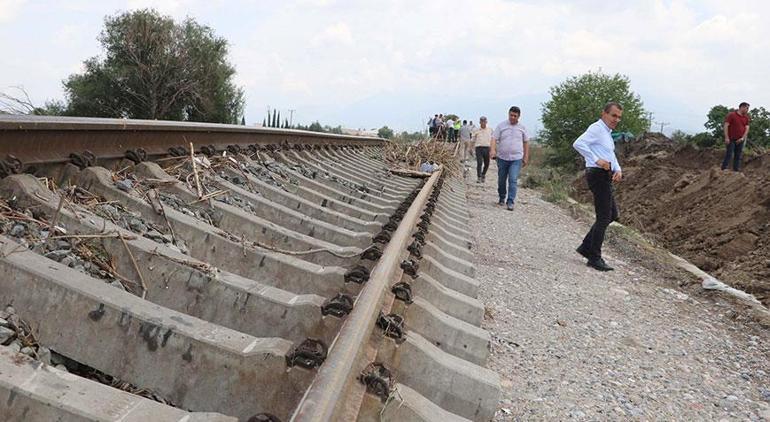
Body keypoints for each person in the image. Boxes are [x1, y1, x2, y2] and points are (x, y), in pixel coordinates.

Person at [572, 102, 624, 272]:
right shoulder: (596, 128)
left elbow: (610, 154)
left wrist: (618, 169)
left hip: (605, 175)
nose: (616, 119)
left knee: (612, 214)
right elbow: (578, 143)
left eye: (618, 117)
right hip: (597, 174)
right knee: (604, 216)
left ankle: (586, 247)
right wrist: (596, 159)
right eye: (613, 115)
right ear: (604, 114)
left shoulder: (607, 133)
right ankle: (594, 257)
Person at [491, 106, 529, 210]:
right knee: (501, 180)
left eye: (515, 116)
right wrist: (493, 150)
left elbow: (526, 142)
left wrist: (526, 156)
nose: (512, 117)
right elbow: (494, 138)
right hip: (502, 158)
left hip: (516, 159)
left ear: (519, 116)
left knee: (513, 179)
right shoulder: (501, 126)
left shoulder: (522, 128)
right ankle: (502, 197)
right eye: (511, 115)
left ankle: (510, 201)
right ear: (508, 114)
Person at [721, 102, 751, 171]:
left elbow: (747, 128)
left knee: (738, 155)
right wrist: (726, 137)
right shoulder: (732, 115)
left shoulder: (746, 118)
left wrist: (742, 138)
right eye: (747, 108)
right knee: (729, 154)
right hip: (731, 139)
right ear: (742, 107)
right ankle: (724, 168)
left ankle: (736, 170)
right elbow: (726, 125)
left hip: (740, 139)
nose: (747, 110)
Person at [472, 116, 492, 183]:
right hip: (479, 148)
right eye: (481, 121)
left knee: (487, 163)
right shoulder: (476, 130)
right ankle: (479, 177)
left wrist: (493, 149)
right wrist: (470, 148)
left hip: (487, 148)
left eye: (484, 121)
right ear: (480, 122)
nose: (483, 122)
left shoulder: (490, 130)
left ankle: (483, 174)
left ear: (486, 122)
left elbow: (493, 140)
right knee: (479, 163)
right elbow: (473, 140)